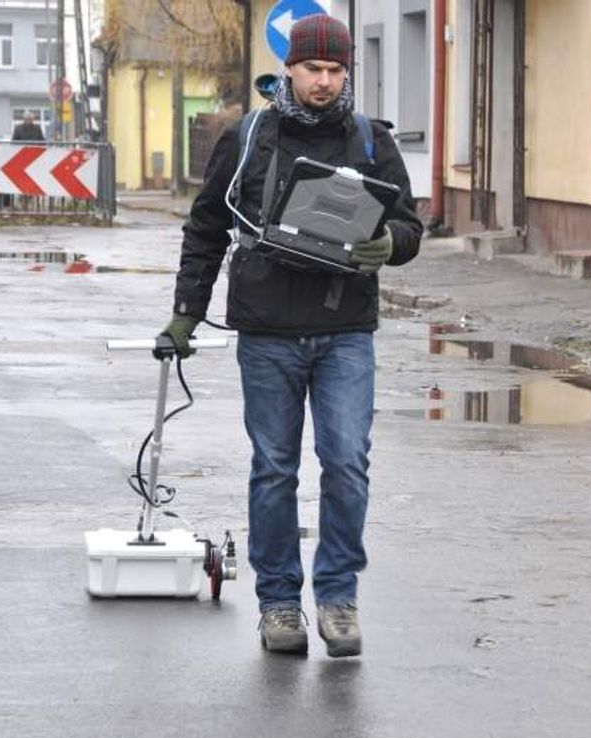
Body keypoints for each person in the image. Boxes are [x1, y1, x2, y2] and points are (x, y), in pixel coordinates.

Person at [160, 13, 422, 657]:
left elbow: (411, 226)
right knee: (275, 469)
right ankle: (279, 602)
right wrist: (187, 312)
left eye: (335, 70)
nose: (324, 82)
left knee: (347, 463)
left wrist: (390, 244)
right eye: (312, 69)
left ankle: (337, 597)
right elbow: (206, 227)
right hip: (269, 329)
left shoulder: (371, 141)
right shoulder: (249, 137)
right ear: (290, 69)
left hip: (345, 330)